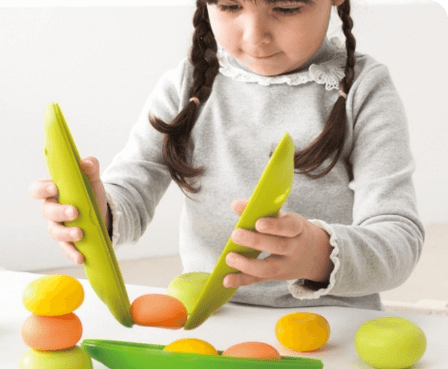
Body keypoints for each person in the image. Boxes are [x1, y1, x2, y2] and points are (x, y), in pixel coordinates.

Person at [29, 0, 424, 310]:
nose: (254, 37)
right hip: (213, 319)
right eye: (230, 5)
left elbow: (399, 239)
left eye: (285, 7)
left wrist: (318, 254)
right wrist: (97, 211)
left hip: (332, 323)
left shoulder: (364, 90)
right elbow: (131, 190)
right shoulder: (185, 86)